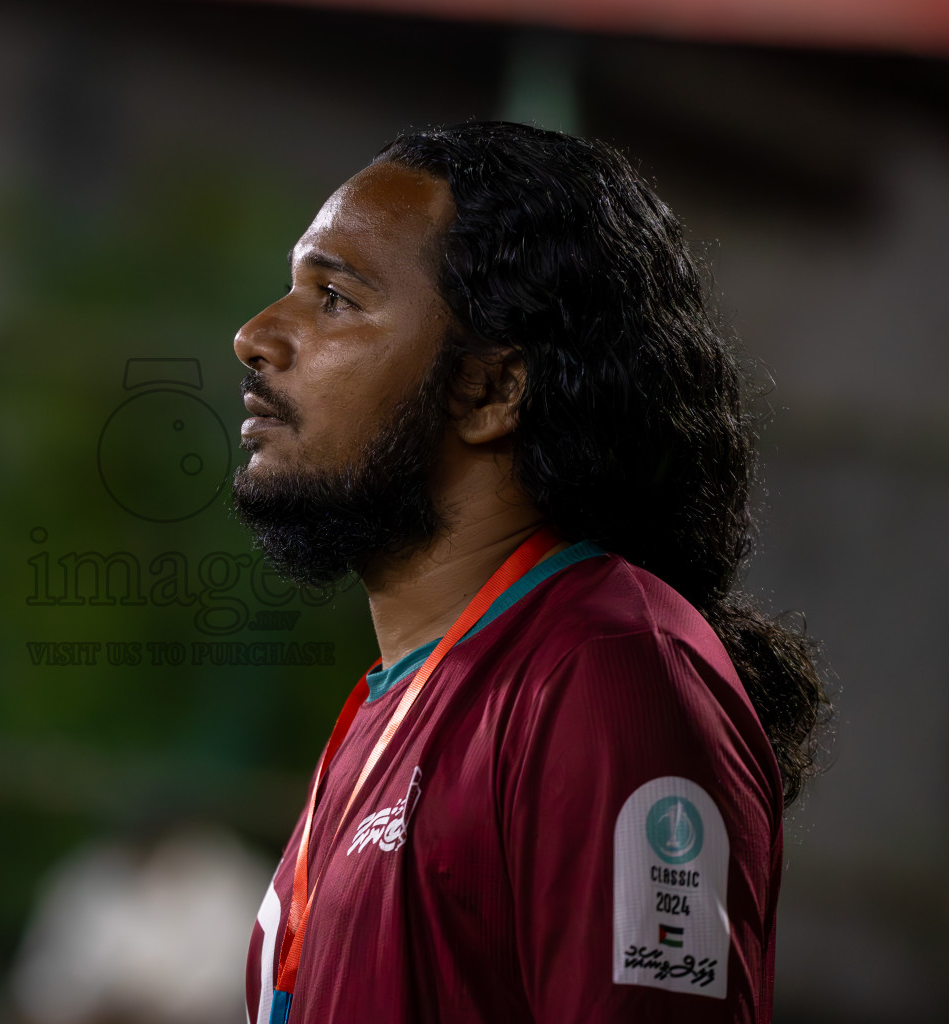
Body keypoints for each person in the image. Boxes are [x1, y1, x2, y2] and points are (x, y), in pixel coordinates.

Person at [231, 122, 828, 1023]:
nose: (256, 335)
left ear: (492, 390)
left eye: (336, 299)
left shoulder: (612, 672)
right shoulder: (400, 699)